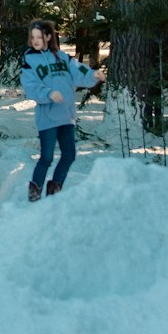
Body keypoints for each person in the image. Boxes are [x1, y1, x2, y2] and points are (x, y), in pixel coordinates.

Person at [20, 19, 106, 201]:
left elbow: (78, 71)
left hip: (66, 116)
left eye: (39, 37)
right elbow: (30, 85)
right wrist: (48, 93)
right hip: (47, 117)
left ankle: (54, 189)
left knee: (69, 155)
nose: (35, 40)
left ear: (49, 37)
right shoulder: (29, 59)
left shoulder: (62, 57)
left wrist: (93, 75)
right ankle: (34, 192)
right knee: (47, 158)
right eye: (33, 37)